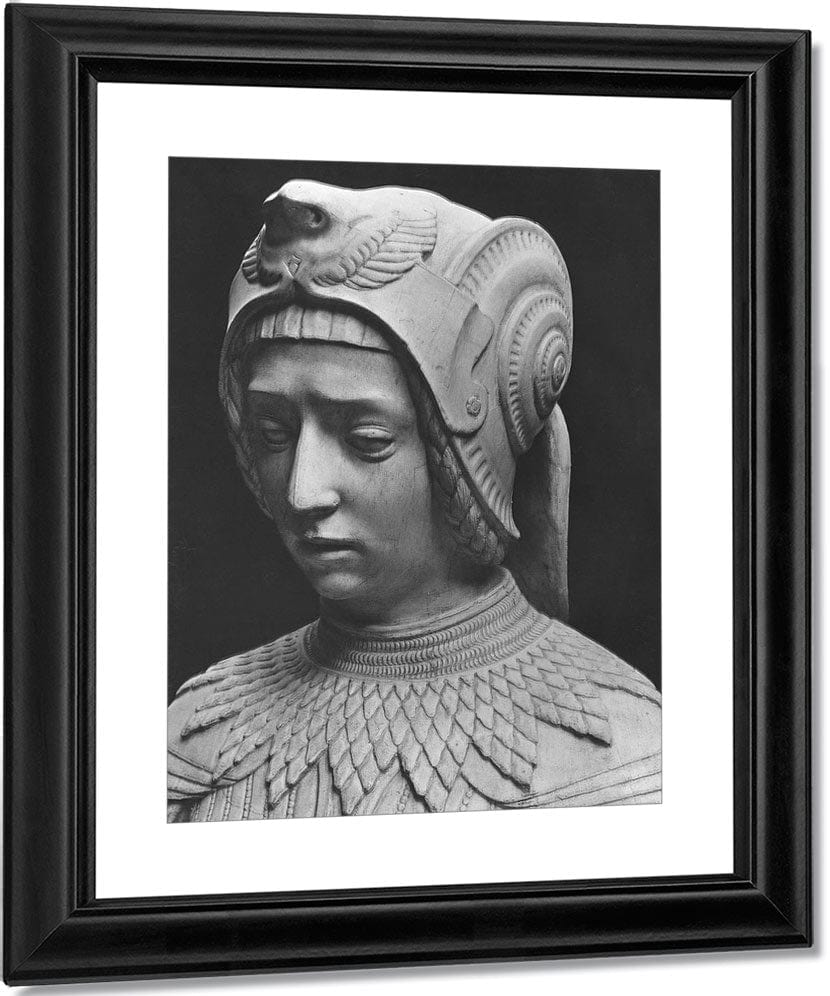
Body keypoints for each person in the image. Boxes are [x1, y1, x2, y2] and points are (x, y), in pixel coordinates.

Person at [167, 180, 661, 822]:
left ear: (464, 465)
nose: (302, 490)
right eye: (273, 433)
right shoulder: (196, 737)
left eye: (367, 438)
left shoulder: (620, 752)